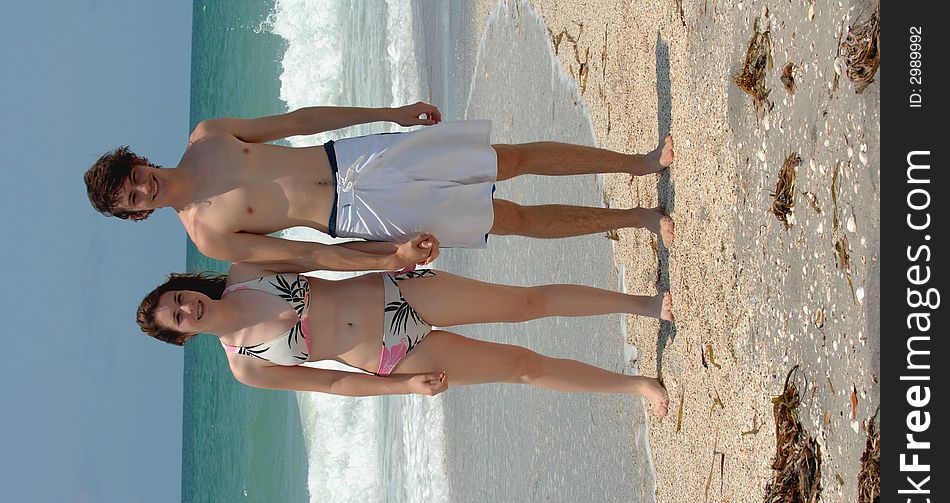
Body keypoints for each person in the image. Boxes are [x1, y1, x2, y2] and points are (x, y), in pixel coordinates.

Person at [86, 102, 675, 270]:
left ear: (139, 161)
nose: (146, 188)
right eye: (135, 199)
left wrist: (388, 113)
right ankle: (638, 220)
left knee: (508, 159)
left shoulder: (208, 135)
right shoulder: (208, 236)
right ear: (138, 214)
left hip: (355, 155)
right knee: (507, 219)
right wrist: (387, 259)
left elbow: (298, 123)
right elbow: (305, 254)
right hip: (357, 217)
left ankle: (640, 163)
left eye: (136, 177)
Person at [136, 260, 674, 415]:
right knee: (522, 366)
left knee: (525, 302)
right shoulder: (247, 366)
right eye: (178, 318)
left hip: (397, 291)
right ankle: (637, 386)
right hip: (395, 355)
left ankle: (645, 304)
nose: (187, 307)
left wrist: (394, 257)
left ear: (185, 288)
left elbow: (323, 256)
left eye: (178, 298)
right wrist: (405, 388)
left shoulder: (243, 270)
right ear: (183, 337)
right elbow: (334, 386)